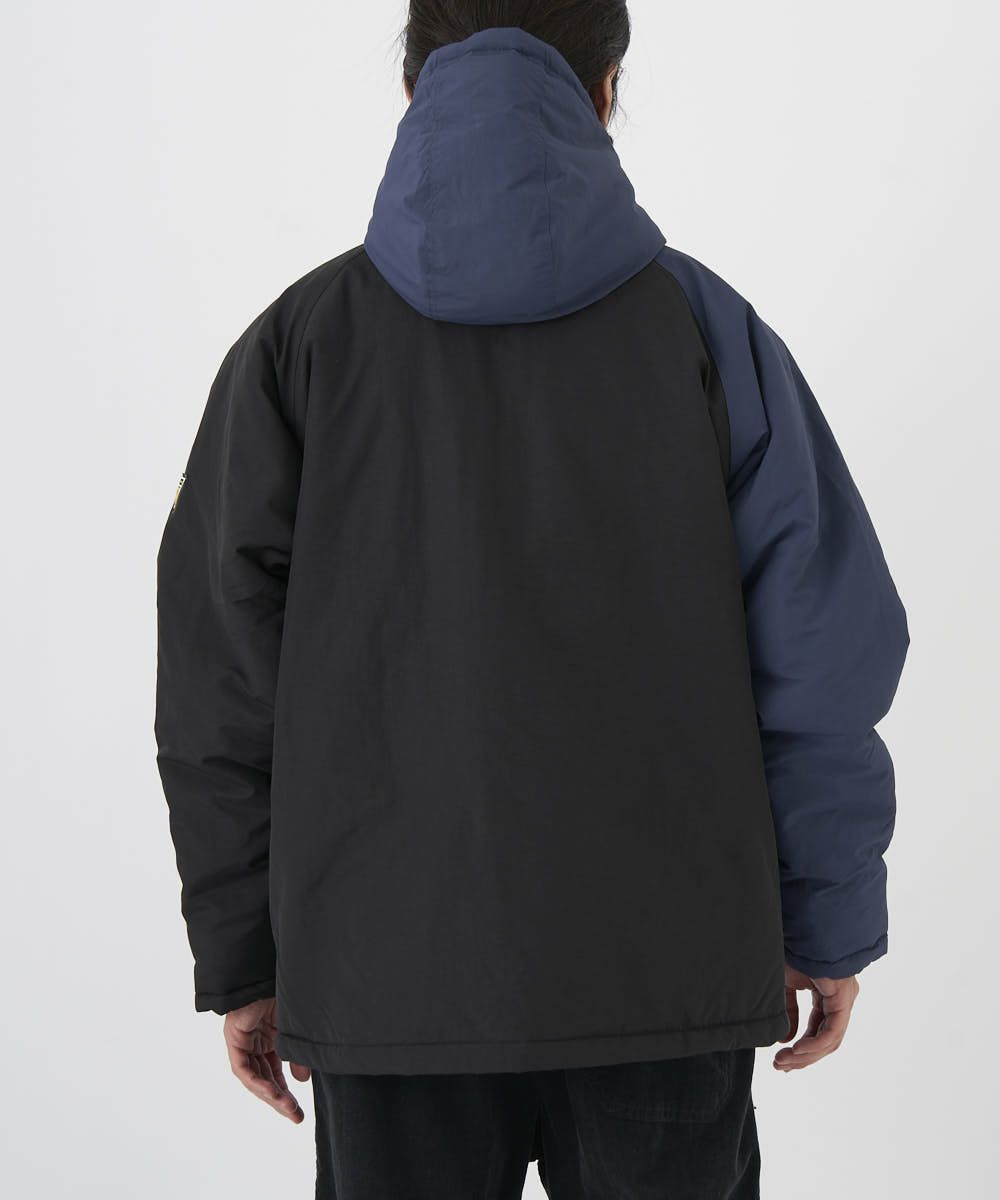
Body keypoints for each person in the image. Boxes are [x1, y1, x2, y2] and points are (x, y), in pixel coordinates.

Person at [154, 3, 908, 1196]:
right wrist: (825, 918)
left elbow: (218, 692)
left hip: (387, 983)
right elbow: (818, 654)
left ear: (414, 93)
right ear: (604, 92)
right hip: (666, 976)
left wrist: (243, 953)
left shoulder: (297, 346)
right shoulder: (706, 330)